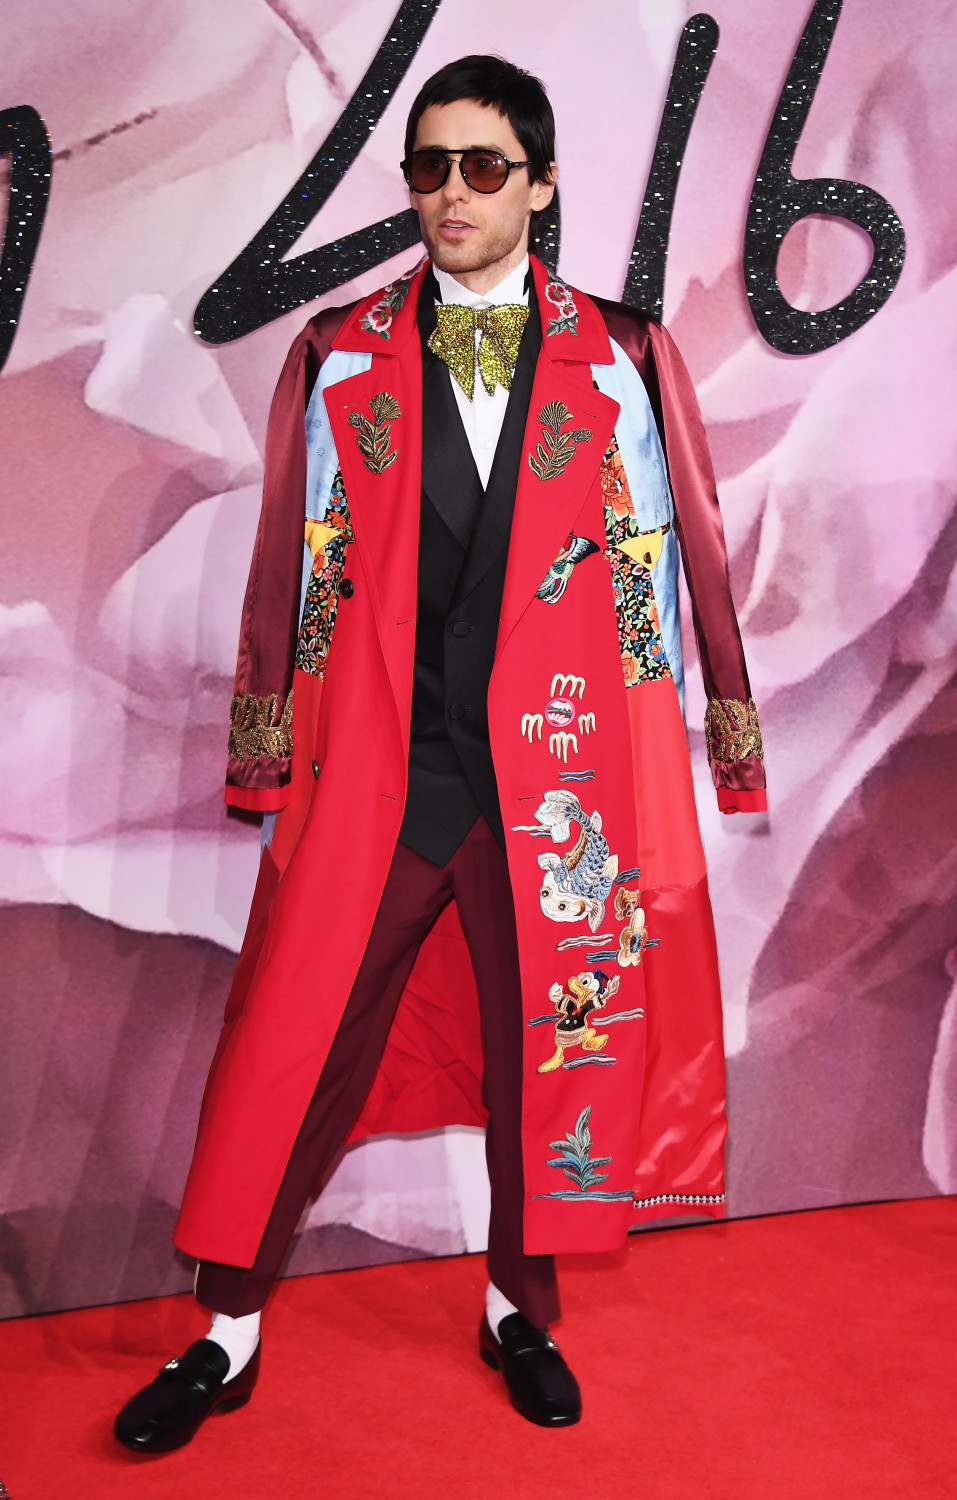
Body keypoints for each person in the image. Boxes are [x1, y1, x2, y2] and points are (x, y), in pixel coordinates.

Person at [114, 53, 766, 1453]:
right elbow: (296, 563)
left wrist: (666, 768)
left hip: (559, 785)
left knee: (557, 1051)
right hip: (381, 776)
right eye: (428, 165)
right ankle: (225, 1332)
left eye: (481, 166)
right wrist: (270, 748)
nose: (451, 193)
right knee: (298, 1045)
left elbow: (656, 575)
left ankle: (515, 1308)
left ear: (538, 183)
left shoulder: (627, 354)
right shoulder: (340, 349)